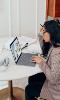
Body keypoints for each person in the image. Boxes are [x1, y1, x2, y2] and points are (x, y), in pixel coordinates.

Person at [25, 20, 60, 100]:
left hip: (56, 89)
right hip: (54, 79)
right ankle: (38, 96)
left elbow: (54, 79)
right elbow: (44, 46)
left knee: (28, 89)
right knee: (32, 77)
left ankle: (40, 94)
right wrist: (41, 33)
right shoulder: (54, 42)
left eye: (44, 32)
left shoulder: (56, 54)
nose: (42, 34)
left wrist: (41, 62)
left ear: (51, 33)